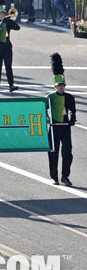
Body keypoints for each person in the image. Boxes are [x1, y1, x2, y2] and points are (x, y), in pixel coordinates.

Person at [48, 53, 75, 186]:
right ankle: (54, 177)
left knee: (67, 153)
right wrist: (47, 119)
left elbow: (73, 110)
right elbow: (43, 109)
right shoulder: (50, 97)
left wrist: (73, 118)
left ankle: (65, 176)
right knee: (53, 153)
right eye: (59, 85)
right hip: (54, 127)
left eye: (63, 85)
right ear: (55, 86)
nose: (61, 87)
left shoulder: (70, 97)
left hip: (65, 128)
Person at [0, 0, 20, 92]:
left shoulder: (7, 22)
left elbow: (17, 28)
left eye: (4, 14)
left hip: (7, 46)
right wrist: (2, 22)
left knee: (8, 66)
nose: (3, 15)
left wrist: (12, 20)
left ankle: (11, 84)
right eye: (1, 14)